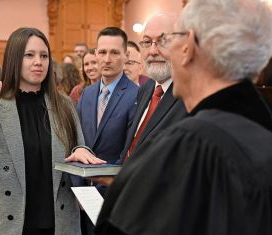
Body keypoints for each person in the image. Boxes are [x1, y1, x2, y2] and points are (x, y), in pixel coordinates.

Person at [95, 0, 272, 234]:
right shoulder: (260, 128)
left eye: (171, 38)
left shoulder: (190, 146)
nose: (157, 50)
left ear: (188, 47)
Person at [0, 27, 101, 235]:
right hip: (9, 224)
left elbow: (77, 147)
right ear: (15, 58)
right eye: (29, 55)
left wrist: (80, 152)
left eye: (44, 55)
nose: (38, 62)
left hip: (59, 223)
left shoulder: (64, 105)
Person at [68, 13, 187, 187]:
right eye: (147, 42)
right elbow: (130, 152)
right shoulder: (147, 91)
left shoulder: (187, 96)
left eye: (163, 41)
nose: (153, 51)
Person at [77, 27, 138, 165]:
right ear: (96, 53)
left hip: (113, 182)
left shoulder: (136, 95)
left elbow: (130, 151)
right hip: (83, 182)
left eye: (114, 53)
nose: (107, 59)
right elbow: (78, 137)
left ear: (126, 56)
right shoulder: (87, 93)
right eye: (102, 52)